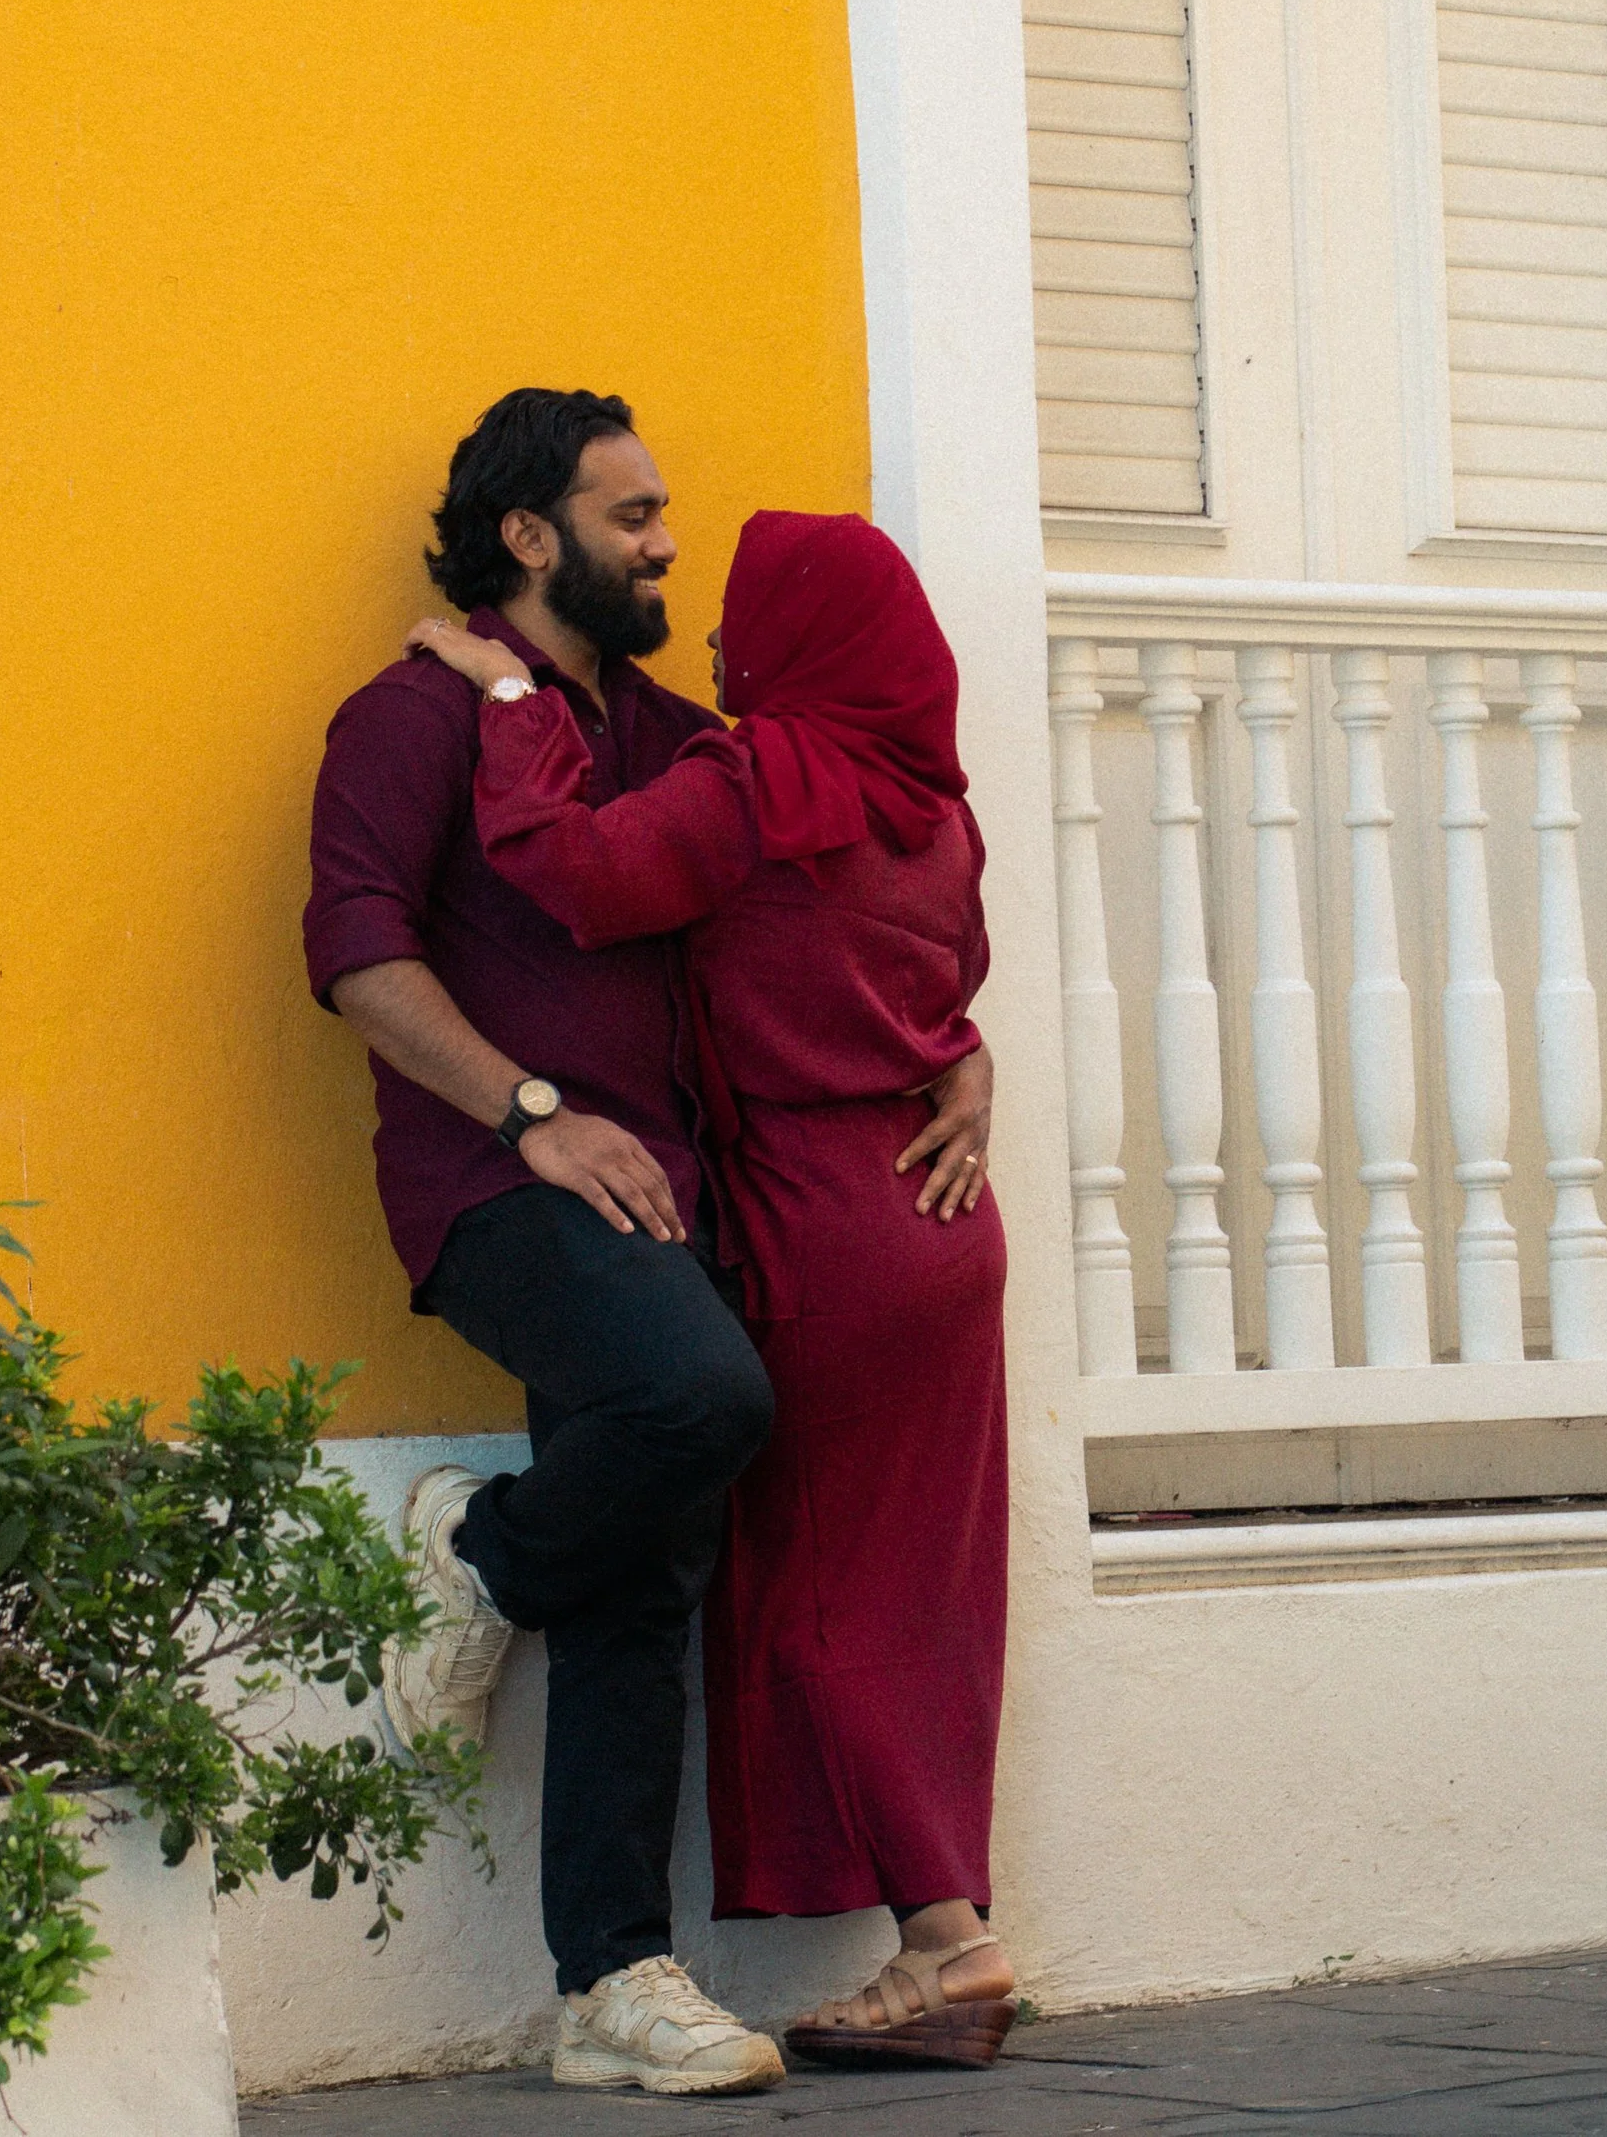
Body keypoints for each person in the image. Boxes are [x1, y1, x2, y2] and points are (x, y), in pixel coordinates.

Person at [410, 507, 1013, 2073]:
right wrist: (969, 1067)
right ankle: (952, 1928)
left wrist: (509, 705)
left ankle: (945, 1951)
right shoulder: (935, 810)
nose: (726, 641)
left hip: (821, 1231)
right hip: (945, 1224)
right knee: (922, 1598)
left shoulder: (757, 786)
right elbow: (942, 995)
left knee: (817, 1598)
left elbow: (571, 866)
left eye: (756, 617)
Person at [303, 388, 785, 2097]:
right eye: (632, 513)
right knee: (702, 1402)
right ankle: (483, 1552)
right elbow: (360, 958)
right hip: (497, 1188)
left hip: (658, 1192)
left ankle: (610, 1982)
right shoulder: (407, 718)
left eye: (664, 512)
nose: (666, 542)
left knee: (652, 1561)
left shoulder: (661, 729)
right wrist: (530, 1111)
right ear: (530, 534)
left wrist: (956, 1047)